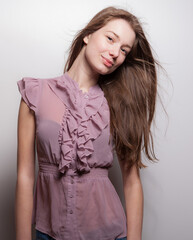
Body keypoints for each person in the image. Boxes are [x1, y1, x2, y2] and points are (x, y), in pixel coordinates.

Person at [15, 6, 164, 240]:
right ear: (88, 35)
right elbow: (24, 176)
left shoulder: (119, 104)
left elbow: (132, 182)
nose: (115, 52)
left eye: (124, 49)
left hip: (109, 233)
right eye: (110, 38)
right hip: (48, 232)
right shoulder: (35, 94)